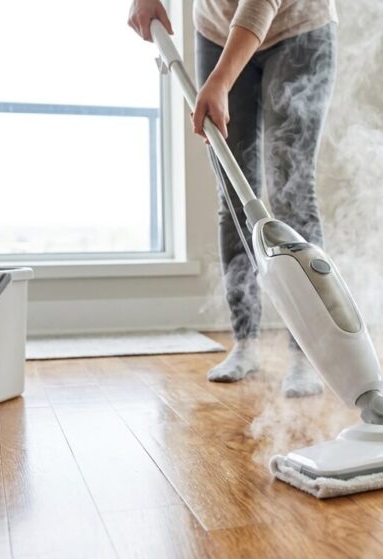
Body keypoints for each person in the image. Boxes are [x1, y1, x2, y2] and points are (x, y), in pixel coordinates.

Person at [128, 0, 337, 396]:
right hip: (216, 27)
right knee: (234, 191)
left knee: (292, 191)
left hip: (298, 28)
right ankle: (247, 343)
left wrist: (220, 81)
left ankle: (306, 354)